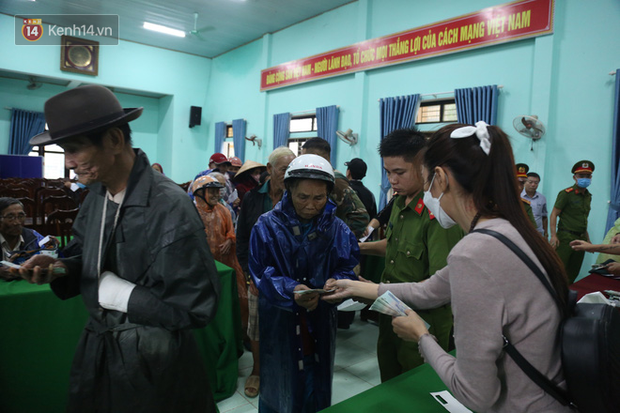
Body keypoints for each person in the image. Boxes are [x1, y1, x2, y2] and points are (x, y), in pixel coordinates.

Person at [326, 121, 571, 412]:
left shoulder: (474, 252)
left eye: (428, 181)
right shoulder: (509, 230)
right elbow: (429, 290)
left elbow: (476, 394)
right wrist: (354, 286)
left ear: (440, 178)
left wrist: (422, 336)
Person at [17, 85, 221, 412]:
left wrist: (119, 293)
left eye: (74, 150)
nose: (69, 164)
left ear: (113, 140)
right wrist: (59, 267)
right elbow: (88, 255)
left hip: (155, 362)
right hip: (101, 350)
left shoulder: (169, 207)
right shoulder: (98, 194)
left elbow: (195, 307)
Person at [249, 154, 359, 413]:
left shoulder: (338, 229)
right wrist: (291, 289)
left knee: (316, 381)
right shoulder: (266, 226)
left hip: (320, 320)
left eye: (319, 198)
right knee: (280, 384)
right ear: (289, 190)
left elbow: (348, 265)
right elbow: (260, 271)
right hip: (280, 321)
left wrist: (338, 282)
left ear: (328, 194)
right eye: (303, 197)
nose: (311, 205)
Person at [355, 128, 463, 382]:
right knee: (390, 379)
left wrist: (379, 290)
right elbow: (393, 249)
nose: (392, 180)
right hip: (390, 309)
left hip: (423, 320)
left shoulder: (438, 214)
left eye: (399, 172)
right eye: (388, 172)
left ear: (424, 167)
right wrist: (359, 248)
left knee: (417, 387)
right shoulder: (400, 203)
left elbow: (441, 284)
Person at [236, 146, 296, 398]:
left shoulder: (297, 198)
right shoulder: (252, 198)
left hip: (289, 277)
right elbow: (242, 241)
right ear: (270, 170)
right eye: (284, 169)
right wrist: (251, 276)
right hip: (257, 276)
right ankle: (258, 371)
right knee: (257, 328)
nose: (288, 174)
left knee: (287, 327)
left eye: (292, 170)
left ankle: (285, 370)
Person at [192, 175, 248, 335]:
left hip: (225, 266)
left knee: (230, 301)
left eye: (218, 191)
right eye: (212, 192)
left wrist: (230, 240)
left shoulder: (224, 210)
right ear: (200, 193)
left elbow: (232, 231)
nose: (217, 195)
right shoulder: (191, 212)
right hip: (200, 269)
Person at [301, 138, 370, 239]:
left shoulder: (335, 181)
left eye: (304, 158)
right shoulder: (319, 178)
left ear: (315, 157)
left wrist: (336, 241)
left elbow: (361, 217)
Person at [550, 160, 595, 283]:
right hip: (566, 237)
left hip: (581, 239)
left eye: (587, 176)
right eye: (581, 176)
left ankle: (566, 297)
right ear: (574, 177)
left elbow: (583, 219)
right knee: (559, 270)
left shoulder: (588, 196)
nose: (584, 178)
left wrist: (588, 239)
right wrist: (553, 235)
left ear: (591, 177)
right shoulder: (566, 194)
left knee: (573, 272)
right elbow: (554, 213)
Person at [0, 197, 45, 280]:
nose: (17, 222)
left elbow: (49, 256)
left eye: (21, 216)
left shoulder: (33, 236)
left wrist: (52, 247)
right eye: (10, 217)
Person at [521, 172, 548, 237]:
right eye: (530, 182)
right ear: (525, 182)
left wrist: (546, 233)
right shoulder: (519, 196)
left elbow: (544, 217)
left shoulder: (542, 198)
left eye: (536, 183)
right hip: (522, 232)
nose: (533, 185)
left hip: (538, 233)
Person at [515, 163, 537, 227]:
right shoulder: (498, 203)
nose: (519, 187)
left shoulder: (525, 206)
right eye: (516, 183)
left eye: (522, 183)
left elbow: (532, 228)